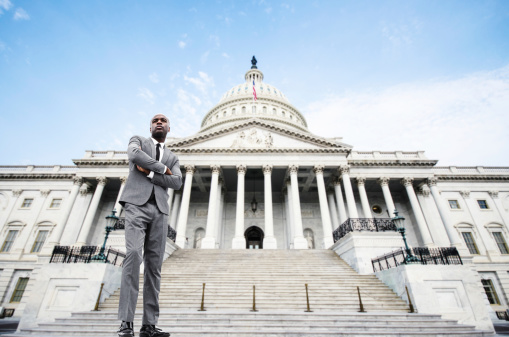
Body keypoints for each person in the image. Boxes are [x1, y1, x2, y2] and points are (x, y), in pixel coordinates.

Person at [117, 114, 183, 337]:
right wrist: (163, 170)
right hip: (136, 204)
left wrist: (151, 171)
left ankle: (149, 325)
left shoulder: (173, 156)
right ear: (150, 125)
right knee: (133, 255)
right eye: (156, 120)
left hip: (160, 210)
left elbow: (177, 182)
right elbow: (134, 155)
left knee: (154, 268)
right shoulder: (138, 141)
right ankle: (126, 322)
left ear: (169, 128)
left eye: (163, 120)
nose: (159, 122)